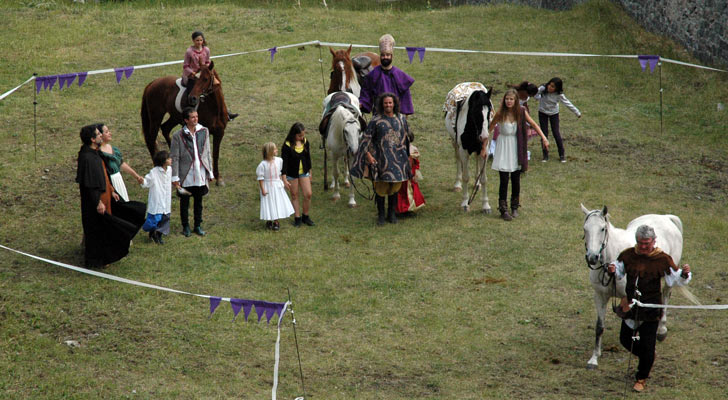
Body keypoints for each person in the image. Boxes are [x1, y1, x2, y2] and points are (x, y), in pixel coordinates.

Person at [608, 225, 692, 393]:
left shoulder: (662, 259)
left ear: (654, 241)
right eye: (640, 243)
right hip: (631, 306)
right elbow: (619, 270)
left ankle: (641, 377)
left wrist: (683, 275)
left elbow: (674, 280)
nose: (643, 246)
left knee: (647, 345)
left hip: (651, 309)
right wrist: (612, 269)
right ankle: (648, 357)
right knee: (625, 340)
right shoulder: (628, 255)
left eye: (647, 243)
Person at [76, 125, 144, 268]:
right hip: (96, 202)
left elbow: (103, 176)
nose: (101, 136)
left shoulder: (95, 154)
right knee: (96, 230)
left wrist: (112, 190)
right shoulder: (87, 157)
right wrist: (98, 202)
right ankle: (96, 261)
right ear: (92, 139)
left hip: (106, 196)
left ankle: (105, 257)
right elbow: (90, 185)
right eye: (98, 134)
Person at [485, 89, 549, 221]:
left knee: (515, 178)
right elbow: (489, 130)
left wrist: (544, 138)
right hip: (503, 147)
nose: (509, 101)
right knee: (503, 179)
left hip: (515, 147)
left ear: (515, 101)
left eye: (511, 99)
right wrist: (483, 147)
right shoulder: (500, 113)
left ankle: (514, 206)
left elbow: (533, 124)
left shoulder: (521, 112)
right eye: (507, 99)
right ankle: (503, 209)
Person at [350, 93, 411, 225]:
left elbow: (406, 138)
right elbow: (365, 140)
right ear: (382, 105)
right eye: (385, 103)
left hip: (398, 159)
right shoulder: (375, 120)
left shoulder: (401, 119)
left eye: (390, 103)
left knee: (395, 186)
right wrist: (368, 156)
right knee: (381, 188)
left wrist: (408, 157)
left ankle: (392, 214)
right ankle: (381, 215)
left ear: (394, 104)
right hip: (381, 159)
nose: (388, 105)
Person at [171, 107, 214, 237]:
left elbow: (207, 152)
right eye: (192, 117)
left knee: (198, 201)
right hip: (186, 174)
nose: (196, 119)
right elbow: (175, 157)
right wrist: (175, 177)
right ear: (186, 120)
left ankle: (198, 225)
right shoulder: (178, 136)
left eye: (196, 116)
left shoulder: (204, 131)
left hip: (199, 172)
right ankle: (186, 226)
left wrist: (210, 171)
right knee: (184, 202)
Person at [182, 31, 237, 120]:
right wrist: (192, 72)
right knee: (192, 93)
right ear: (193, 41)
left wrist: (206, 68)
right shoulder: (189, 51)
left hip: (204, 73)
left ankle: (225, 112)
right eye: (197, 40)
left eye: (201, 40)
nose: (199, 42)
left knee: (217, 87)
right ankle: (188, 114)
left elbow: (208, 61)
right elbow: (185, 66)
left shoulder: (206, 50)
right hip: (193, 76)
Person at [359, 34, 415, 117]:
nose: (385, 57)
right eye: (383, 55)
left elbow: (405, 98)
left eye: (388, 55)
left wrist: (404, 117)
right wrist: (361, 104)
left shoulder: (400, 75)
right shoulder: (373, 75)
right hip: (378, 116)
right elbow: (365, 94)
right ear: (380, 56)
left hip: (396, 117)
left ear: (392, 56)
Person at [535, 77, 581, 162]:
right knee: (544, 133)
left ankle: (561, 154)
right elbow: (534, 93)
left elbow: (567, 103)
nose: (550, 87)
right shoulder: (542, 89)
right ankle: (545, 155)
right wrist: (538, 97)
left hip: (554, 114)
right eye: (549, 85)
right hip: (542, 113)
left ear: (557, 88)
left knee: (556, 133)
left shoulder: (559, 95)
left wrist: (577, 112)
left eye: (553, 87)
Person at [98, 123, 143, 202]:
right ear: (100, 135)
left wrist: (136, 176)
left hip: (118, 180)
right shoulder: (99, 153)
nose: (110, 133)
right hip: (109, 182)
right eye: (107, 132)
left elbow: (121, 163)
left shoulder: (113, 149)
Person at [281, 122, 315, 227]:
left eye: (303, 135)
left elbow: (308, 157)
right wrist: (284, 178)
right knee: (294, 195)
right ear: (294, 134)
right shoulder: (287, 145)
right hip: (292, 173)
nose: (302, 137)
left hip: (304, 172)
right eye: (299, 135)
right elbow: (284, 163)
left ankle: (305, 216)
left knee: (308, 194)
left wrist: (310, 171)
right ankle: (297, 217)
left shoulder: (305, 142)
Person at [257, 142, 294, 231]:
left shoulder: (279, 160)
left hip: (277, 185)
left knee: (277, 202)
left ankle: (276, 221)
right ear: (270, 151)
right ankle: (269, 220)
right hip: (267, 186)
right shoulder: (262, 164)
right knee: (269, 203)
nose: (277, 150)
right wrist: (263, 189)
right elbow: (260, 178)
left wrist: (283, 182)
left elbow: (280, 173)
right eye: (275, 149)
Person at [141, 151, 172, 244]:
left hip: (166, 198)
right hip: (157, 199)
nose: (171, 160)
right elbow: (147, 182)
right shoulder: (154, 172)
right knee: (155, 219)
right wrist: (142, 181)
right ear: (163, 161)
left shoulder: (170, 170)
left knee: (165, 218)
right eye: (168, 158)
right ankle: (152, 232)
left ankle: (158, 235)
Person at [395, 144, 425, 215]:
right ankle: (403, 208)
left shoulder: (411, 150)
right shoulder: (411, 149)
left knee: (407, 192)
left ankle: (407, 208)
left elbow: (415, 162)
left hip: (408, 175)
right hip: (403, 175)